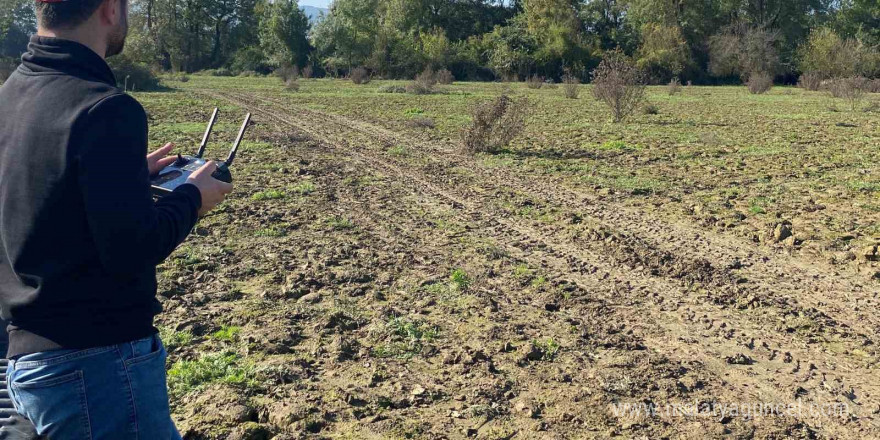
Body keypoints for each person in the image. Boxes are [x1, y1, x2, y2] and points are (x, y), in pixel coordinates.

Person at [0, 0, 233, 437]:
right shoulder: (104, 108)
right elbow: (132, 249)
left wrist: (122, 177)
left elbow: (29, 193)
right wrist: (191, 198)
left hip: (27, 354)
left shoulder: (13, 91)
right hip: (95, 369)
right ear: (109, 8)